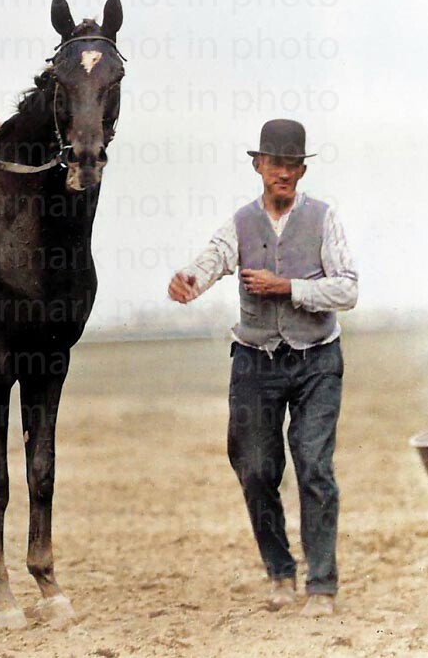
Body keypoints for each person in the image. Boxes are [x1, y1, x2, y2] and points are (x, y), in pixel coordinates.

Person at [167, 119, 358, 617]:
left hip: (317, 359)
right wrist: (189, 280)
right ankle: (280, 573)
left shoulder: (323, 218)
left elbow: (348, 289)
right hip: (255, 360)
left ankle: (321, 585)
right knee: (255, 469)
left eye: (293, 164)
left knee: (314, 466)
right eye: (276, 163)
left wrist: (288, 287)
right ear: (258, 165)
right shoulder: (241, 222)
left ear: (302, 170)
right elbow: (212, 259)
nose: (284, 173)